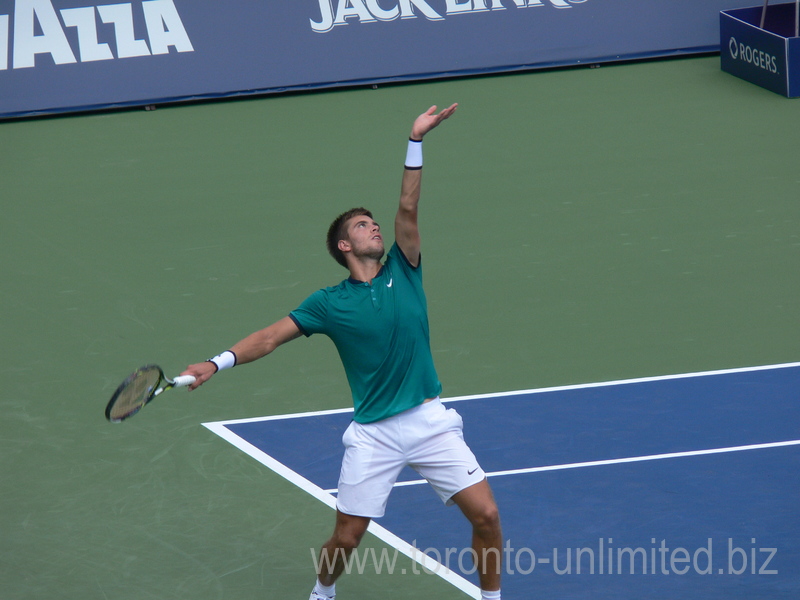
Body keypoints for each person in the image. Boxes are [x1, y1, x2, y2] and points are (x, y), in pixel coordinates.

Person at [181, 104, 503, 600]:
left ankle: (492, 597)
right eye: (361, 226)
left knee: (486, 514)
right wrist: (214, 362)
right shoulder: (328, 304)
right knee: (347, 537)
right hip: (374, 435)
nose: (374, 228)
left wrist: (415, 141)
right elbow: (269, 337)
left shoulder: (406, 268)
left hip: (428, 420)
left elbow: (408, 210)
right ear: (343, 246)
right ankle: (322, 591)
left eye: (374, 223)